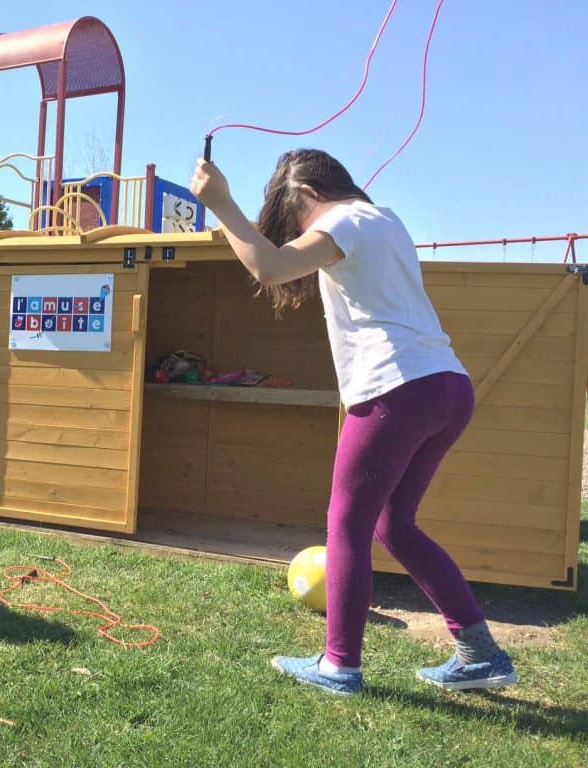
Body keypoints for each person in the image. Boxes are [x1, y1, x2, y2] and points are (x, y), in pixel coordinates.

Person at [190, 149, 516, 695]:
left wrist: (221, 202)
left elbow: (269, 265)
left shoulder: (340, 220)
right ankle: (480, 652)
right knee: (394, 524)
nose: (297, 231)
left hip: (396, 389)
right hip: (448, 386)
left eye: (293, 218)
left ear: (308, 195)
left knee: (347, 525)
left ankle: (339, 665)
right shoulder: (387, 220)